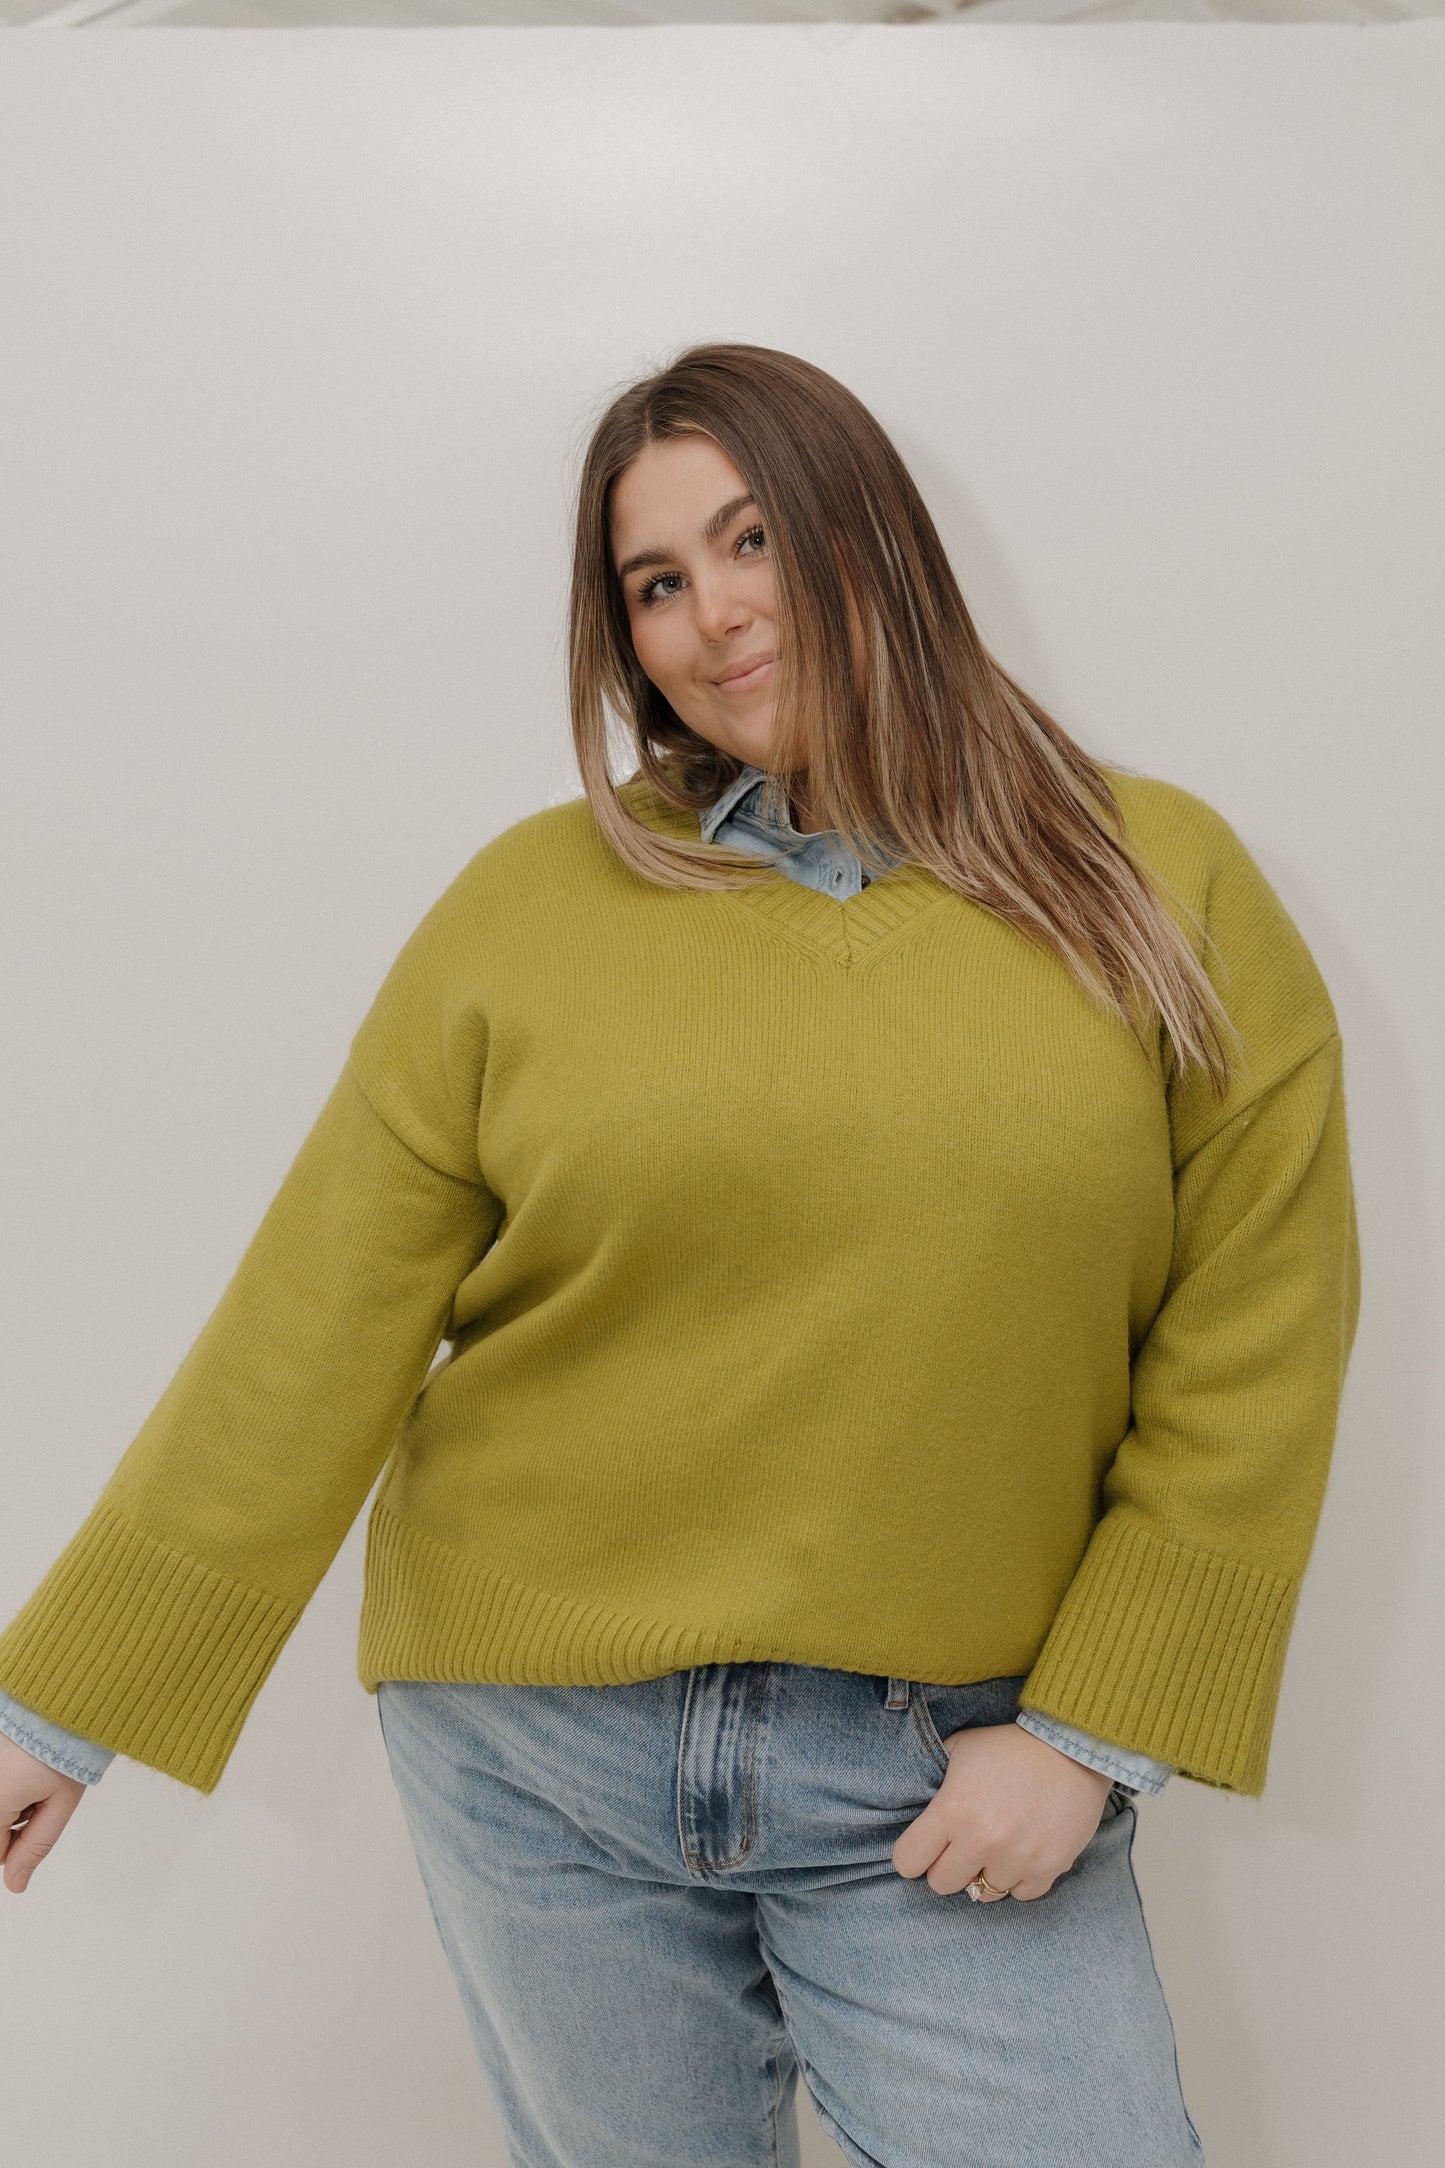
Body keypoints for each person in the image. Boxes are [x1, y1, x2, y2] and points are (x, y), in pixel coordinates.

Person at [0, 342, 1358, 2166]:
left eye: (752, 542)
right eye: (655, 582)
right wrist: (56, 1711)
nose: (716, 615)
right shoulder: (526, 911)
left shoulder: (1156, 883)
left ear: (869, 541)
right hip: (534, 1753)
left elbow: (1257, 1334)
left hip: (942, 1760)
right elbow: (307, 1331)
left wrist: (1098, 1733)